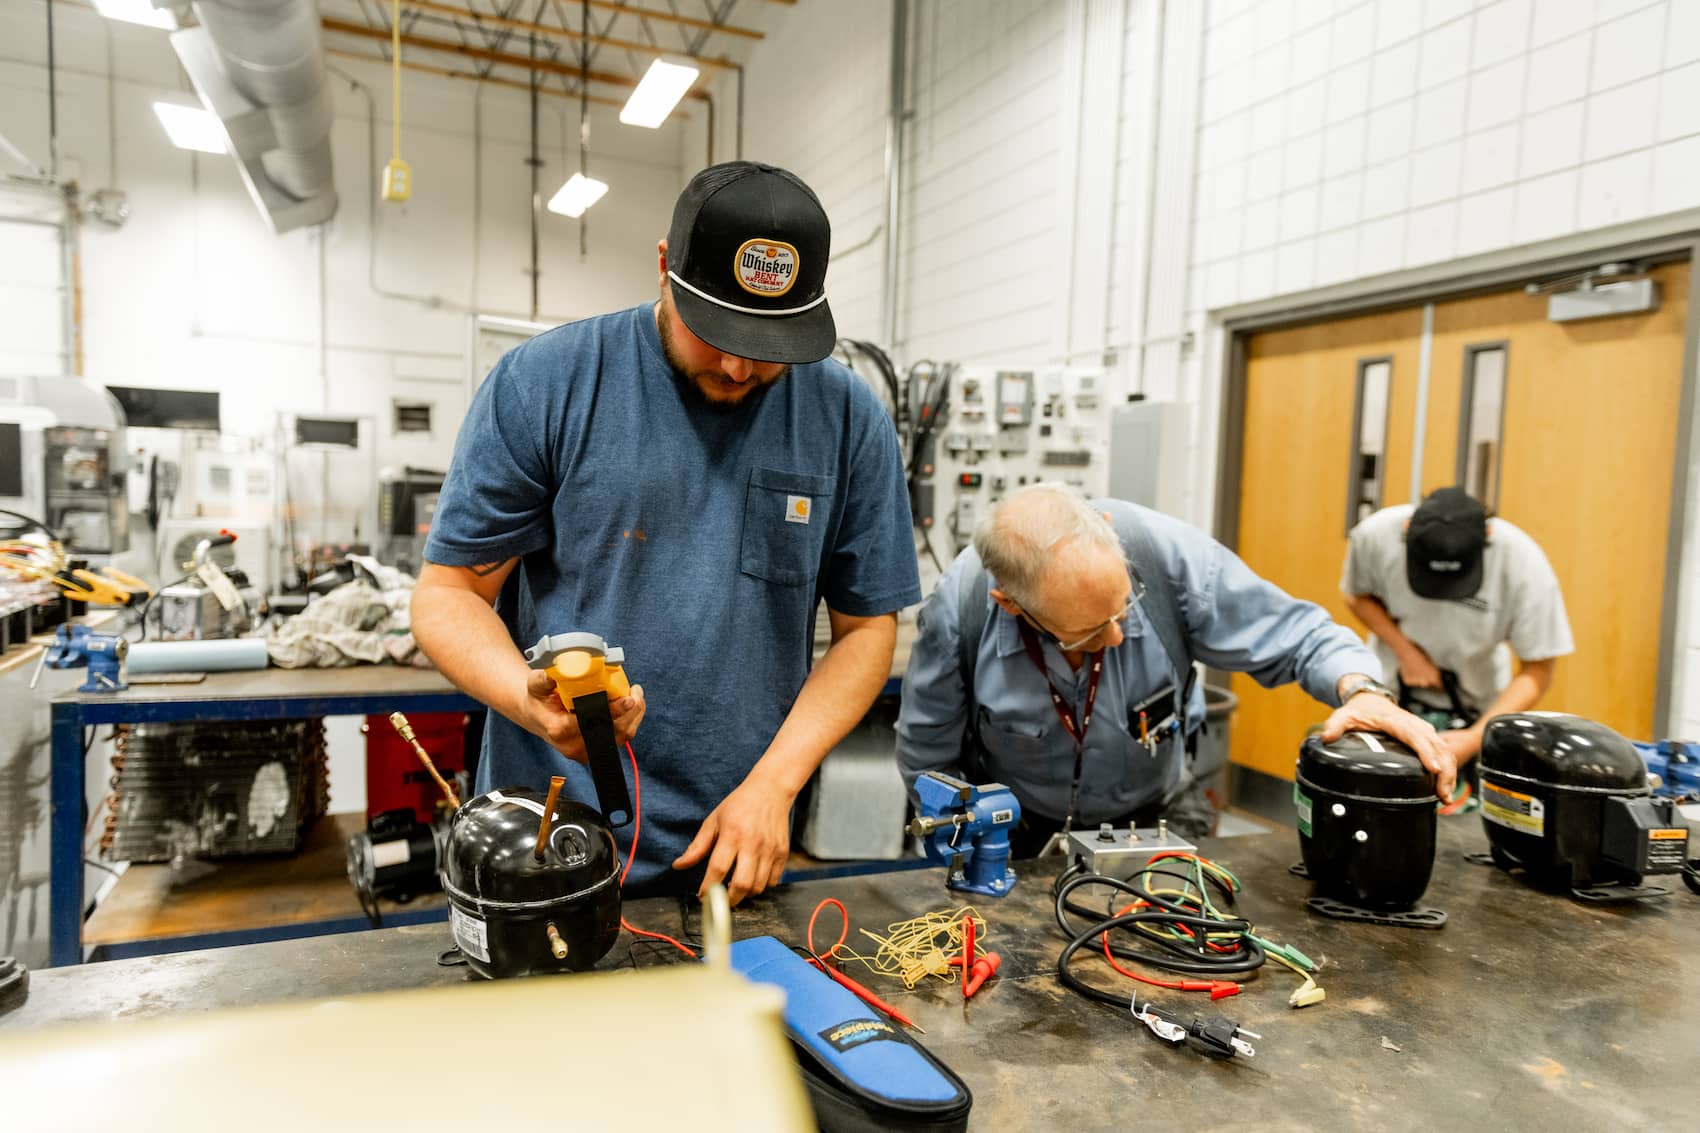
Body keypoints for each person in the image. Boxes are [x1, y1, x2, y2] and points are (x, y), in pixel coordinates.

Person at [412, 161, 922, 904]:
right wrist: (527, 702)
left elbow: (866, 630)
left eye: (767, 340)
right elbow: (448, 593)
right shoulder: (547, 385)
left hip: (735, 851)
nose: (738, 364)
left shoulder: (847, 419)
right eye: (713, 327)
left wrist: (774, 786)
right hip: (546, 840)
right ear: (663, 268)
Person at [896, 484, 1451, 858]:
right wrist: (963, 850)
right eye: (1090, 632)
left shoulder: (1170, 563)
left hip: (1156, 815)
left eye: (1122, 610)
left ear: (1108, 531)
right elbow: (928, 752)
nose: (1115, 636)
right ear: (1012, 605)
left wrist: (1364, 691)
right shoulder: (963, 609)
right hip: (1015, 830)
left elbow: (1300, 635)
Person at [1341, 486, 1573, 776]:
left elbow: (1538, 668)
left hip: (1477, 709)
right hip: (1388, 696)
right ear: (1406, 530)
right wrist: (1406, 651)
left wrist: (1473, 738)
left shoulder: (1523, 562)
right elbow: (1356, 596)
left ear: (1488, 537)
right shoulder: (1374, 536)